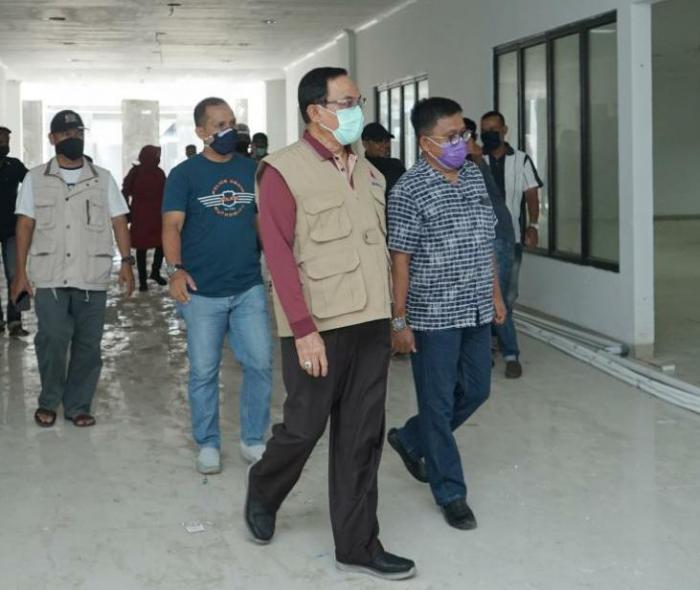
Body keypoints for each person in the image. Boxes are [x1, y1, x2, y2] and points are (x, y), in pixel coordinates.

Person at [247, 66, 416, 581]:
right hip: (318, 325)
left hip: (371, 321)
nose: (356, 111)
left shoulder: (368, 172)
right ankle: (264, 490)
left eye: (357, 101)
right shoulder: (282, 171)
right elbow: (278, 256)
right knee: (304, 428)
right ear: (315, 111)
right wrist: (302, 330)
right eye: (346, 103)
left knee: (362, 435)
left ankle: (357, 544)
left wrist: (394, 317)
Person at [386, 98, 506, 531]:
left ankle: (410, 438)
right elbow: (400, 261)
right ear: (425, 143)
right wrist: (399, 322)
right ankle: (450, 492)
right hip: (433, 314)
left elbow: (485, 240)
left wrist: (495, 294)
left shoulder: (473, 175)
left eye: (463, 134)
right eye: (451, 136)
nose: (462, 142)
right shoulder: (408, 191)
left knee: (477, 389)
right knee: (436, 404)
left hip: (475, 305)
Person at [162, 97, 272, 473]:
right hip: (201, 292)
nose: (229, 130)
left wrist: (276, 265)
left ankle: (253, 439)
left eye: (232, 122)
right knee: (204, 372)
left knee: (259, 363)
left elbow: (260, 220)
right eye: (220, 125)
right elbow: (171, 225)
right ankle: (207, 443)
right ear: (201, 132)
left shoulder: (252, 170)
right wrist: (175, 270)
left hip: (247, 286)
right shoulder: (184, 175)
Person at [10, 109, 135, 428]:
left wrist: (127, 262)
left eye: (78, 133)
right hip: (50, 274)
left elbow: (119, 220)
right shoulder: (35, 178)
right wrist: (20, 273)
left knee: (88, 345)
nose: (73, 139)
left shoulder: (102, 178)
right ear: (52, 139)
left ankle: (78, 404)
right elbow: (24, 225)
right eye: (66, 134)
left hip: (91, 274)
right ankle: (49, 400)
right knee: (51, 339)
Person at [481, 110, 543, 378]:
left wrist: (533, 225)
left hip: (511, 238)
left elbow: (532, 195)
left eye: (493, 130)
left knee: (507, 296)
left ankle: (499, 340)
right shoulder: (475, 161)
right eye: (484, 130)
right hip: (482, 240)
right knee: (486, 296)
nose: (489, 135)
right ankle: (504, 351)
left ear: (504, 131)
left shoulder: (520, 160)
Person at [463, 118, 518, 367]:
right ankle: (484, 350)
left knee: (497, 297)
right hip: (471, 239)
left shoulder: (477, 162)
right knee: (476, 296)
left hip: (496, 236)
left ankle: (510, 353)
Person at [122, 145, 167, 291]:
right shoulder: (136, 172)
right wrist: (126, 211)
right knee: (143, 248)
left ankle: (154, 273)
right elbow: (125, 191)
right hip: (142, 216)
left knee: (161, 245)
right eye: (156, 156)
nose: (158, 159)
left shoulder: (158, 173)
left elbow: (167, 192)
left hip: (154, 216)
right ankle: (144, 280)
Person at [0, 126, 29, 336]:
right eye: (1, 140)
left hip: (11, 228)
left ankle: (16, 321)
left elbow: (32, 184)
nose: (4, 144)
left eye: (7, 141)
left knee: (16, 273)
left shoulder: (15, 165)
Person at [361, 122, 406, 196]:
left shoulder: (397, 166)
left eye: (387, 141)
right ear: (365, 144)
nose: (384, 145)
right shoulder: (359, 169)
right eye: (378, 141)